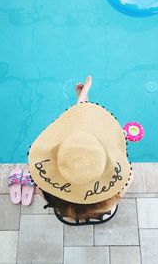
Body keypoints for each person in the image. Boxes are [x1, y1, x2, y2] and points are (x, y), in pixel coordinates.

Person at [28, 76, 134, 226]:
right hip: (104, 213)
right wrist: (83, 99)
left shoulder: (47, 191)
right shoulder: (118, 187)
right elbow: (126, 176)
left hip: (66, 214)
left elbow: (77, 135)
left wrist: (81, 100)